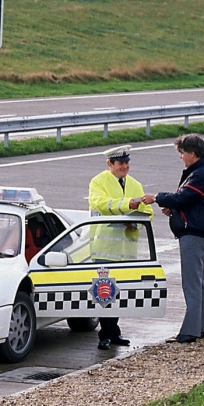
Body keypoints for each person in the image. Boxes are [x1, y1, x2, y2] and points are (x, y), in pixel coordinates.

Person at [141, 133, 204, 343]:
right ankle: (199, 326)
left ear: (193, 154)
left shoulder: (202, 173)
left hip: (195, 232)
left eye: (182, 153)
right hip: (196, 229)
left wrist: (157, 198)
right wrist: (175, 210)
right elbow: (190, 201)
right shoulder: (200, 170)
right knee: (198, 280)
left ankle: (190, 331)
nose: (181, 157)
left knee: (191, 282)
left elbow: (185, 197)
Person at [87, 145, 153, 350]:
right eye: (120, 163)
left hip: (126, 252)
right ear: (110, 164)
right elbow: (101, 204)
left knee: (120, 294)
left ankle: (113, 332)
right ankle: (105, 335)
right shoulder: (98, 182)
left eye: (127, 162)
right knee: (105, 294)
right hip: (104, 249)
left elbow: (148, 212)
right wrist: (128, 206)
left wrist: (135, 221)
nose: (125, 166)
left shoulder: (135, 184)